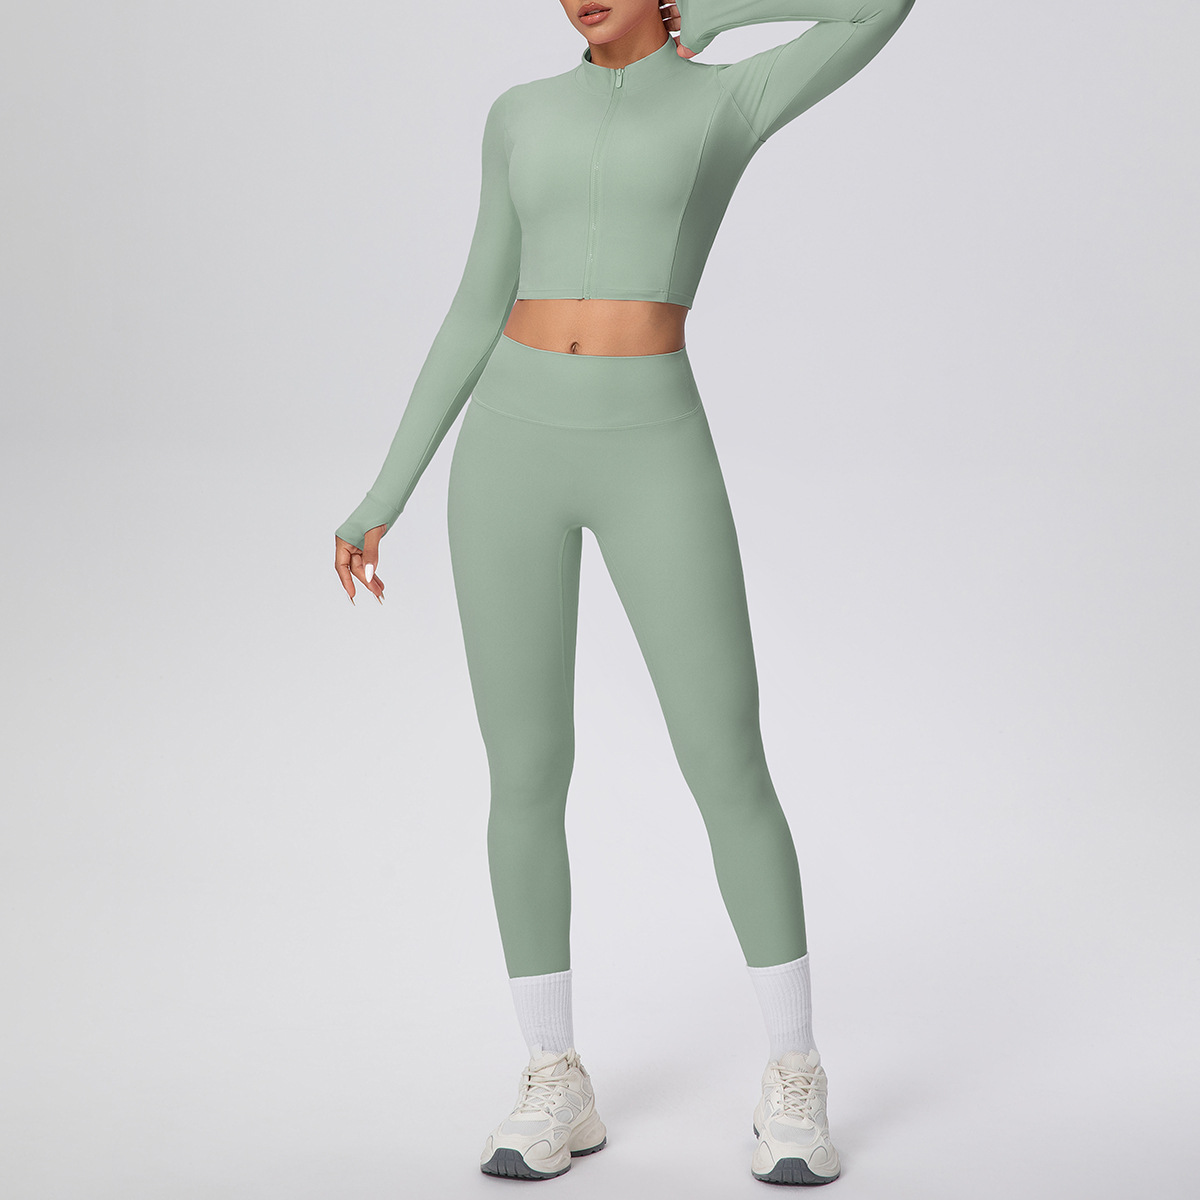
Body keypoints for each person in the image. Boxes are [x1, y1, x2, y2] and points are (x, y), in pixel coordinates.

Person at [334, 0, 916, 1185]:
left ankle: (794, 1071)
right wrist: (384, 491)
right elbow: (476, 301)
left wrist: (716, 11)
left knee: (726, 759)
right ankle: (553, 1075)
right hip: (508, 448)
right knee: (525, 772)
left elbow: (880, 5)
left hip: (653, 445)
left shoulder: (727, 100)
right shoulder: (518, 116)